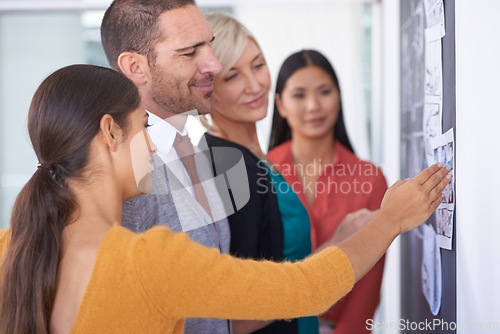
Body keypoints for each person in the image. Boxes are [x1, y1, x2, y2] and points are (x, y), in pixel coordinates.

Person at [0, 64, 451, 334]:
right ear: (110, 131)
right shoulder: (147, 259)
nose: (153, 147)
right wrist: (391, 219)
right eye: (143, 128)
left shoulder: (10, 248)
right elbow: (306, 291)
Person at [100, 1, 233, 332]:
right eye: (190, 53)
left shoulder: (190, 146)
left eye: (209, 45)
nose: (214, 65)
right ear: (135, 67)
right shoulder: (123, 177)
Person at [201, 12, 317, 333]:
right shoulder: (229, 165)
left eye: (258, 65)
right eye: (232, 76)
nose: (255, 86)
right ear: (207, 89)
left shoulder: (253, 155)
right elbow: (237, 314)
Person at [268, 49, 387, 333]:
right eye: (299, 95)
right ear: (280, 105)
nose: (313, 106)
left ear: (339, 97)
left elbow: (368, 282)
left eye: (324, 92)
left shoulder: (370, 179)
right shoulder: (261, 170)